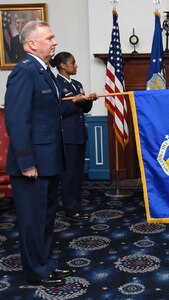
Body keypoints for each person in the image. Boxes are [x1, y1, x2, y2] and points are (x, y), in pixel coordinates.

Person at [4, 21, 72, 287]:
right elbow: (17, 120)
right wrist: (26, 162)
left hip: (48, 161)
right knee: (32, 221)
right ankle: (35, 272)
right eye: (50, 38)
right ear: (32, 43)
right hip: (32, 164)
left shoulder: (44, 72)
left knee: (45, 218)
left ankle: (44, 264)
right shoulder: (24, 72)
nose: (55, 42)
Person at [50, 52, 97, 221]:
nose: (76, 65)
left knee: (78, 174)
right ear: (63, 65)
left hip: (79, 134)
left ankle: (76, 205)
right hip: (66, 136)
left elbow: (85, 109)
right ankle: (71, 209)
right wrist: (74, 102)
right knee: (69, 175)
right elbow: (57, 112)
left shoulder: (77, 84)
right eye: (73, 62)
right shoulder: (55, 84)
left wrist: (89, 99)